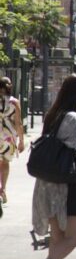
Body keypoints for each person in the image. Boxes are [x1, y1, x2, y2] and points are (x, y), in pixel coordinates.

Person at [32, 74, 76, 259]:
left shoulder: (53, 114)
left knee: (57, 235)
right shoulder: (73, 118)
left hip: (47, 181)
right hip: (68, 183)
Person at [0, 76, 24, 211]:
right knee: (5, 162)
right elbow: (18, 123)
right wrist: (21, 140)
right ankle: (3, 189)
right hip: (8, 137)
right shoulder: (14, 102)